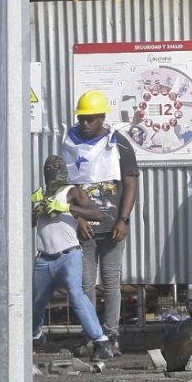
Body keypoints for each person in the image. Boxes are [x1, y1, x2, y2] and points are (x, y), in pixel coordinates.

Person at [61, 90, 139, 356]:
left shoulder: (119, 143)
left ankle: (112, 335)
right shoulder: (69, 144)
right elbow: (63, 188)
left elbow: (130, 183)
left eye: (90, 118)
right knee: (84, 285)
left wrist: (124, 219)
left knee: (111, 282)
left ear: (102, 117)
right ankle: (92, 336)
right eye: (82, 118)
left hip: (112, 228)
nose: (84, 123)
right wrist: (77, 216)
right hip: (82, 230)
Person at [31, 156, 114, 362]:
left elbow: (98, 214)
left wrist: (68, 209)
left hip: (69, 255)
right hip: (44, 258)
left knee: (77, 296)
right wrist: (37, 210)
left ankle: (101, 341)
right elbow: (28, 219)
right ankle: (34, 337)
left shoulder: (72, 192)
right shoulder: (40, 194)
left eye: (56, 166)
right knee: (36, 303)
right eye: (48, 167)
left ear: (64, 170)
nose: (52, 170)